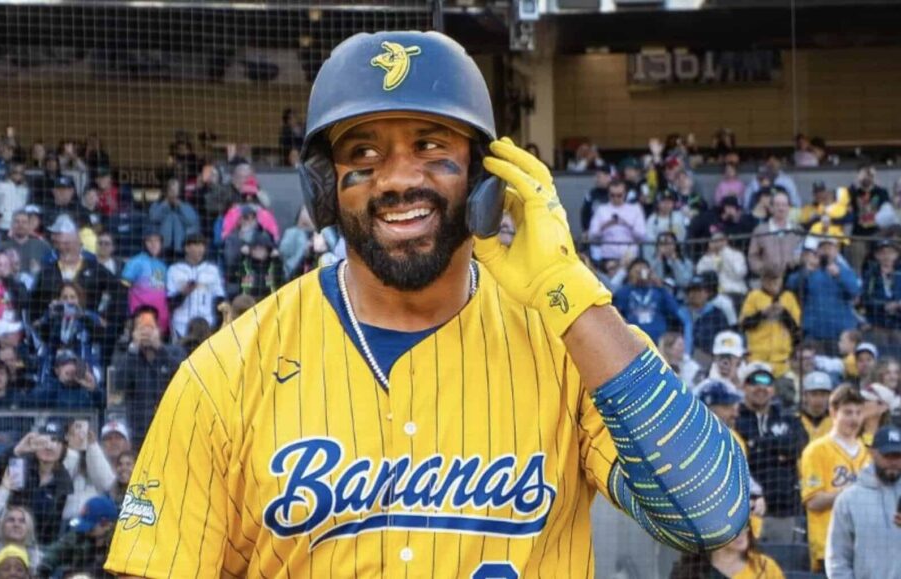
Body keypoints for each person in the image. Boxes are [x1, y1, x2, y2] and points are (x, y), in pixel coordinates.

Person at [105, 31, 748, 578]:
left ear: (484, 176)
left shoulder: (566, 343)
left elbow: (710, 515)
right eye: (363, 153)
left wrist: (567, 287)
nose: (400, 178)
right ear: (325, 188)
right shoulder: (224, 374)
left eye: (432, 147)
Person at [799, 386, 870, 572]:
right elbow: (813, 501)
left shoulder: (869, 453)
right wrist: (850, 492)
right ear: (833, 412)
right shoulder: (816, 450)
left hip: (865, 547)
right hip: (829, 548)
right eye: (847, 412)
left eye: (858, 413)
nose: (854, 418)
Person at [736, 365, 806, 543]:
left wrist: (757, 443)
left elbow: (799, 445)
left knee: (785, 567)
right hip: (745, 512)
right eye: (754, 382)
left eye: (767, 383)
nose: (761, 388)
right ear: (743, 387)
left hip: (784, 511)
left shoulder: (788, 418)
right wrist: (779, 451)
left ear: (773, 389)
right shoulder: (736, 419)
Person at [827, 425, 901, 579]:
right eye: (888, 455)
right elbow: (837, 559)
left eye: (898, 456)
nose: (894, 462)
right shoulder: (849, 499)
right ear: (873, 453)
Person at [0, 421, 74, 544]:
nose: (49, 447)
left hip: (37, 544)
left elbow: (53, 529)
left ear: (64, 448)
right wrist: (16, 450)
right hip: (4, 536)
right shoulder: (19, 464)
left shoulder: (64, 482)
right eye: (43, 442)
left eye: (56, 441)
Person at [110, 309, 182, 450]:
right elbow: (117, 385)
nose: (146, 333)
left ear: (159, 330)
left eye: (150, 328)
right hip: (138, 431)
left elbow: (181, 376)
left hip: (170, 429)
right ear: (133, 333)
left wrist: (159, 349)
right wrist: (133, 349)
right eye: (141, 329)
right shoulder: (125, 355)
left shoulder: (173, 351)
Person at [787, 237, 860, 351]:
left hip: (841, 334)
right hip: (814, 332)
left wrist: (839, 275)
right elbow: (791, 285)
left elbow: (855, 291)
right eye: (823, 248)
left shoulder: (845, 270)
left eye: (830, 248)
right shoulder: (810, 270)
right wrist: (806, 271)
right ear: (818, 251)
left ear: (836, 251)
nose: (827, 251)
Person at [739, 269, 801, 377]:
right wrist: (763, 314)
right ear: (763, 280)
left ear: (781, 280)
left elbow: (797, 331)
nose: (773, 283)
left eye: (776, 279)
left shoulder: (789, 298)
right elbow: (744, 325)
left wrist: (783, 314)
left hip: (782, 364)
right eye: (769, 279)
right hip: (757, 362)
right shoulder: (754, 296)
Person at [37, 495, 117, 579]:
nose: (86, 530)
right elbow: (56, 551)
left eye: (91, 526)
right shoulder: (79, 535)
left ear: (107, 524)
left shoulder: (118, 546)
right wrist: (43, 569)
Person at [166, 233, 224, 341]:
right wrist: (184, 293)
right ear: (187, 248)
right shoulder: (174, 270)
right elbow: (169, 303)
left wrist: (217, 326)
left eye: (202, 245)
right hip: (181, 325)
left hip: (207, 325)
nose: (200, 249)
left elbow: (220, 300)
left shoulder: (212, 270)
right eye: (196, 245)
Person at [670, 525, 784, 579]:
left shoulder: (765, 566)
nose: (741, 533)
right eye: (732, 529)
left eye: (743, 526)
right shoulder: (688, 572)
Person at [613, 258, 685, 343]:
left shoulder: (658, 291)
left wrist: (660, 286)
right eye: (637, 270)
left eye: (643, 269)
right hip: (634, 342)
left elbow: (675, 310)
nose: (640, 273)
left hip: (659, 342)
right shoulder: (624, 292)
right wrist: (632, 283)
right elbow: (617, 312)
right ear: (630, 273)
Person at [61, 418, 116, 524]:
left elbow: (107, 483)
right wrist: (73, 450)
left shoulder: (97, 453)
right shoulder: (61, 455)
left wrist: (93, 446)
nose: (80, 435)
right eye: (73, 433)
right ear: (66, 436)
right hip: (68, 518)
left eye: (83, 431)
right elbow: (63, 479)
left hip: (94, 519)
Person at [121, 231, 170, 334]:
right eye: (149, 241)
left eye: (157, 241)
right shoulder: (136, 262)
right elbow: (123, 287)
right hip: (140, 318)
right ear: (144, 243)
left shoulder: (163, 265)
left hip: (161, 320)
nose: (153, 244)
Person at [587, 179, 647, 262]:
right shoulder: (601, 210)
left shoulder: (635, 209)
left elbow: (642, 236)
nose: (615, 198)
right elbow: (592, 236)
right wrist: (604, 226)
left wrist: (626, 225)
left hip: (630, 257)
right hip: (608, 257)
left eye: (619, 195)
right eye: (612, 195)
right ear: (608, 194)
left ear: (625, 194)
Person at [747, 190, 802, 277]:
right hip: (767, 278)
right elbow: (753, 256)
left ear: (788, 208)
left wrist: (796, 262)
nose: (781, 208)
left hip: (792, 277)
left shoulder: (797, 230)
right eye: (777, 205)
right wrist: (763, 270)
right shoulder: (760, 230)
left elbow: (803, 253)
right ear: (771, 208)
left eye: (784, 205)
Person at [681, 273, 732, 362]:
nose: (695, 294)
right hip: (679, 358)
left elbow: (725, 338)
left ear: (707, 293)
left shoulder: (717, 314)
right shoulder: (679, 313)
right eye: (692, 291)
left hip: (707, 359)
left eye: (699, 290)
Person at [862, 240, 901, 353]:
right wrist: (884, 306)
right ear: (877, 255)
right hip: (877, 324)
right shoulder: (871, 274)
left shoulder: (899, 273)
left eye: (890, 253)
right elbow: (866, 299)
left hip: (898, 325)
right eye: (883, 253)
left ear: (896, 255)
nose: (886, 256)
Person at [149, 178, 201, 258]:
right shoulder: (158, 204)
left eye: (175, 189)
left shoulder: (187, 205)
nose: (173, 192)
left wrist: (180, 206)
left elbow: (191, 221)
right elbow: (153, 217)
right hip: (162, 247)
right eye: (170, 189)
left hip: (181, 246)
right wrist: (165, 204)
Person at [696, 229, 748, 302]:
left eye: (719, 240)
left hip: (735, 291)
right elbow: (700, 271)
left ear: (725, 241)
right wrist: (710, 255)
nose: (717, 244)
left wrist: (725, 251)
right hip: (715, 294)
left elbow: (739, 273)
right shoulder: (707, 258)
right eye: (714, 241)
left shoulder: (736, 255)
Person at [0, 163, 29, 234]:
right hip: (3, 225)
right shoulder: (1, 185)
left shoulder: (25, 188)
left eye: (21, 173)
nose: (18, 175)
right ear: (10, 172)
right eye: (15, 172)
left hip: (19, 227)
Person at [647, 231, 693, 296]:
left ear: (675, 245)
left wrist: (675, 262)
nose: (666, 246)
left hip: (679, 298)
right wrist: (658, 259)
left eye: (669, 243)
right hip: (658, 296)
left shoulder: (686, 262)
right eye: (662, 243)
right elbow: (648, 278)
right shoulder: (651, 262)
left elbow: (684, 282)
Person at [797, 371, 834, 445]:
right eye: (814, 394)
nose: (819, 399)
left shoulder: (836, 421)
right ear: (805, 395)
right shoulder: (795, 420)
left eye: (823, 395)